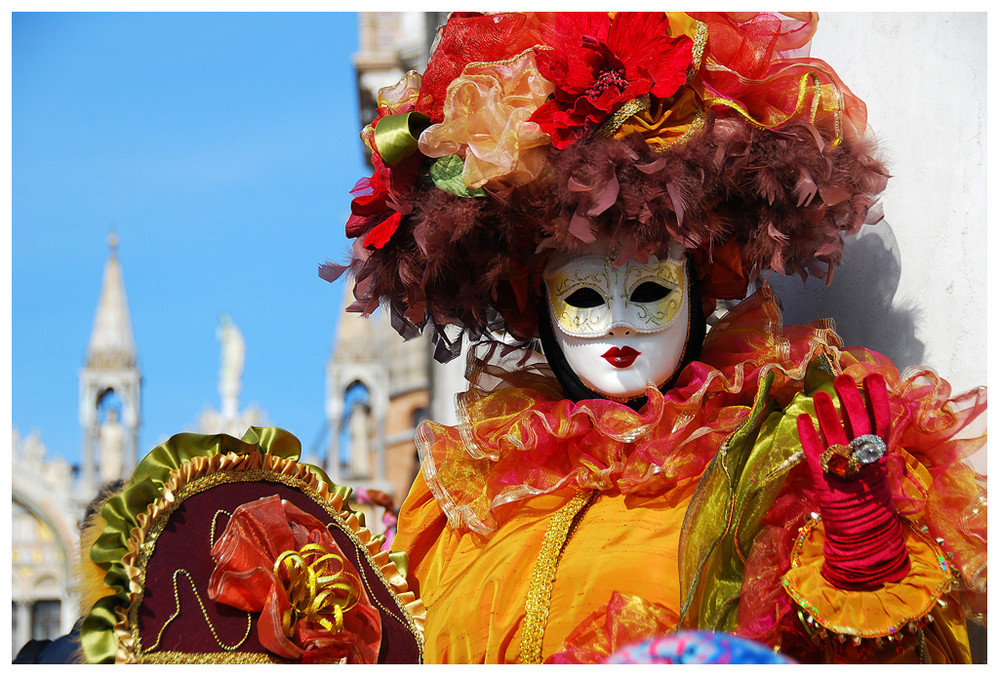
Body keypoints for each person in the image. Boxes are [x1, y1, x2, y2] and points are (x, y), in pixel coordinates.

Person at [325, 12, 986, 663]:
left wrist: (863, 577)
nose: (616, 321)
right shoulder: (472, 503)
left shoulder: (766, 457)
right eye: (583, 296)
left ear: (697, 292)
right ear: (539, 310)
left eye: (649, 290)